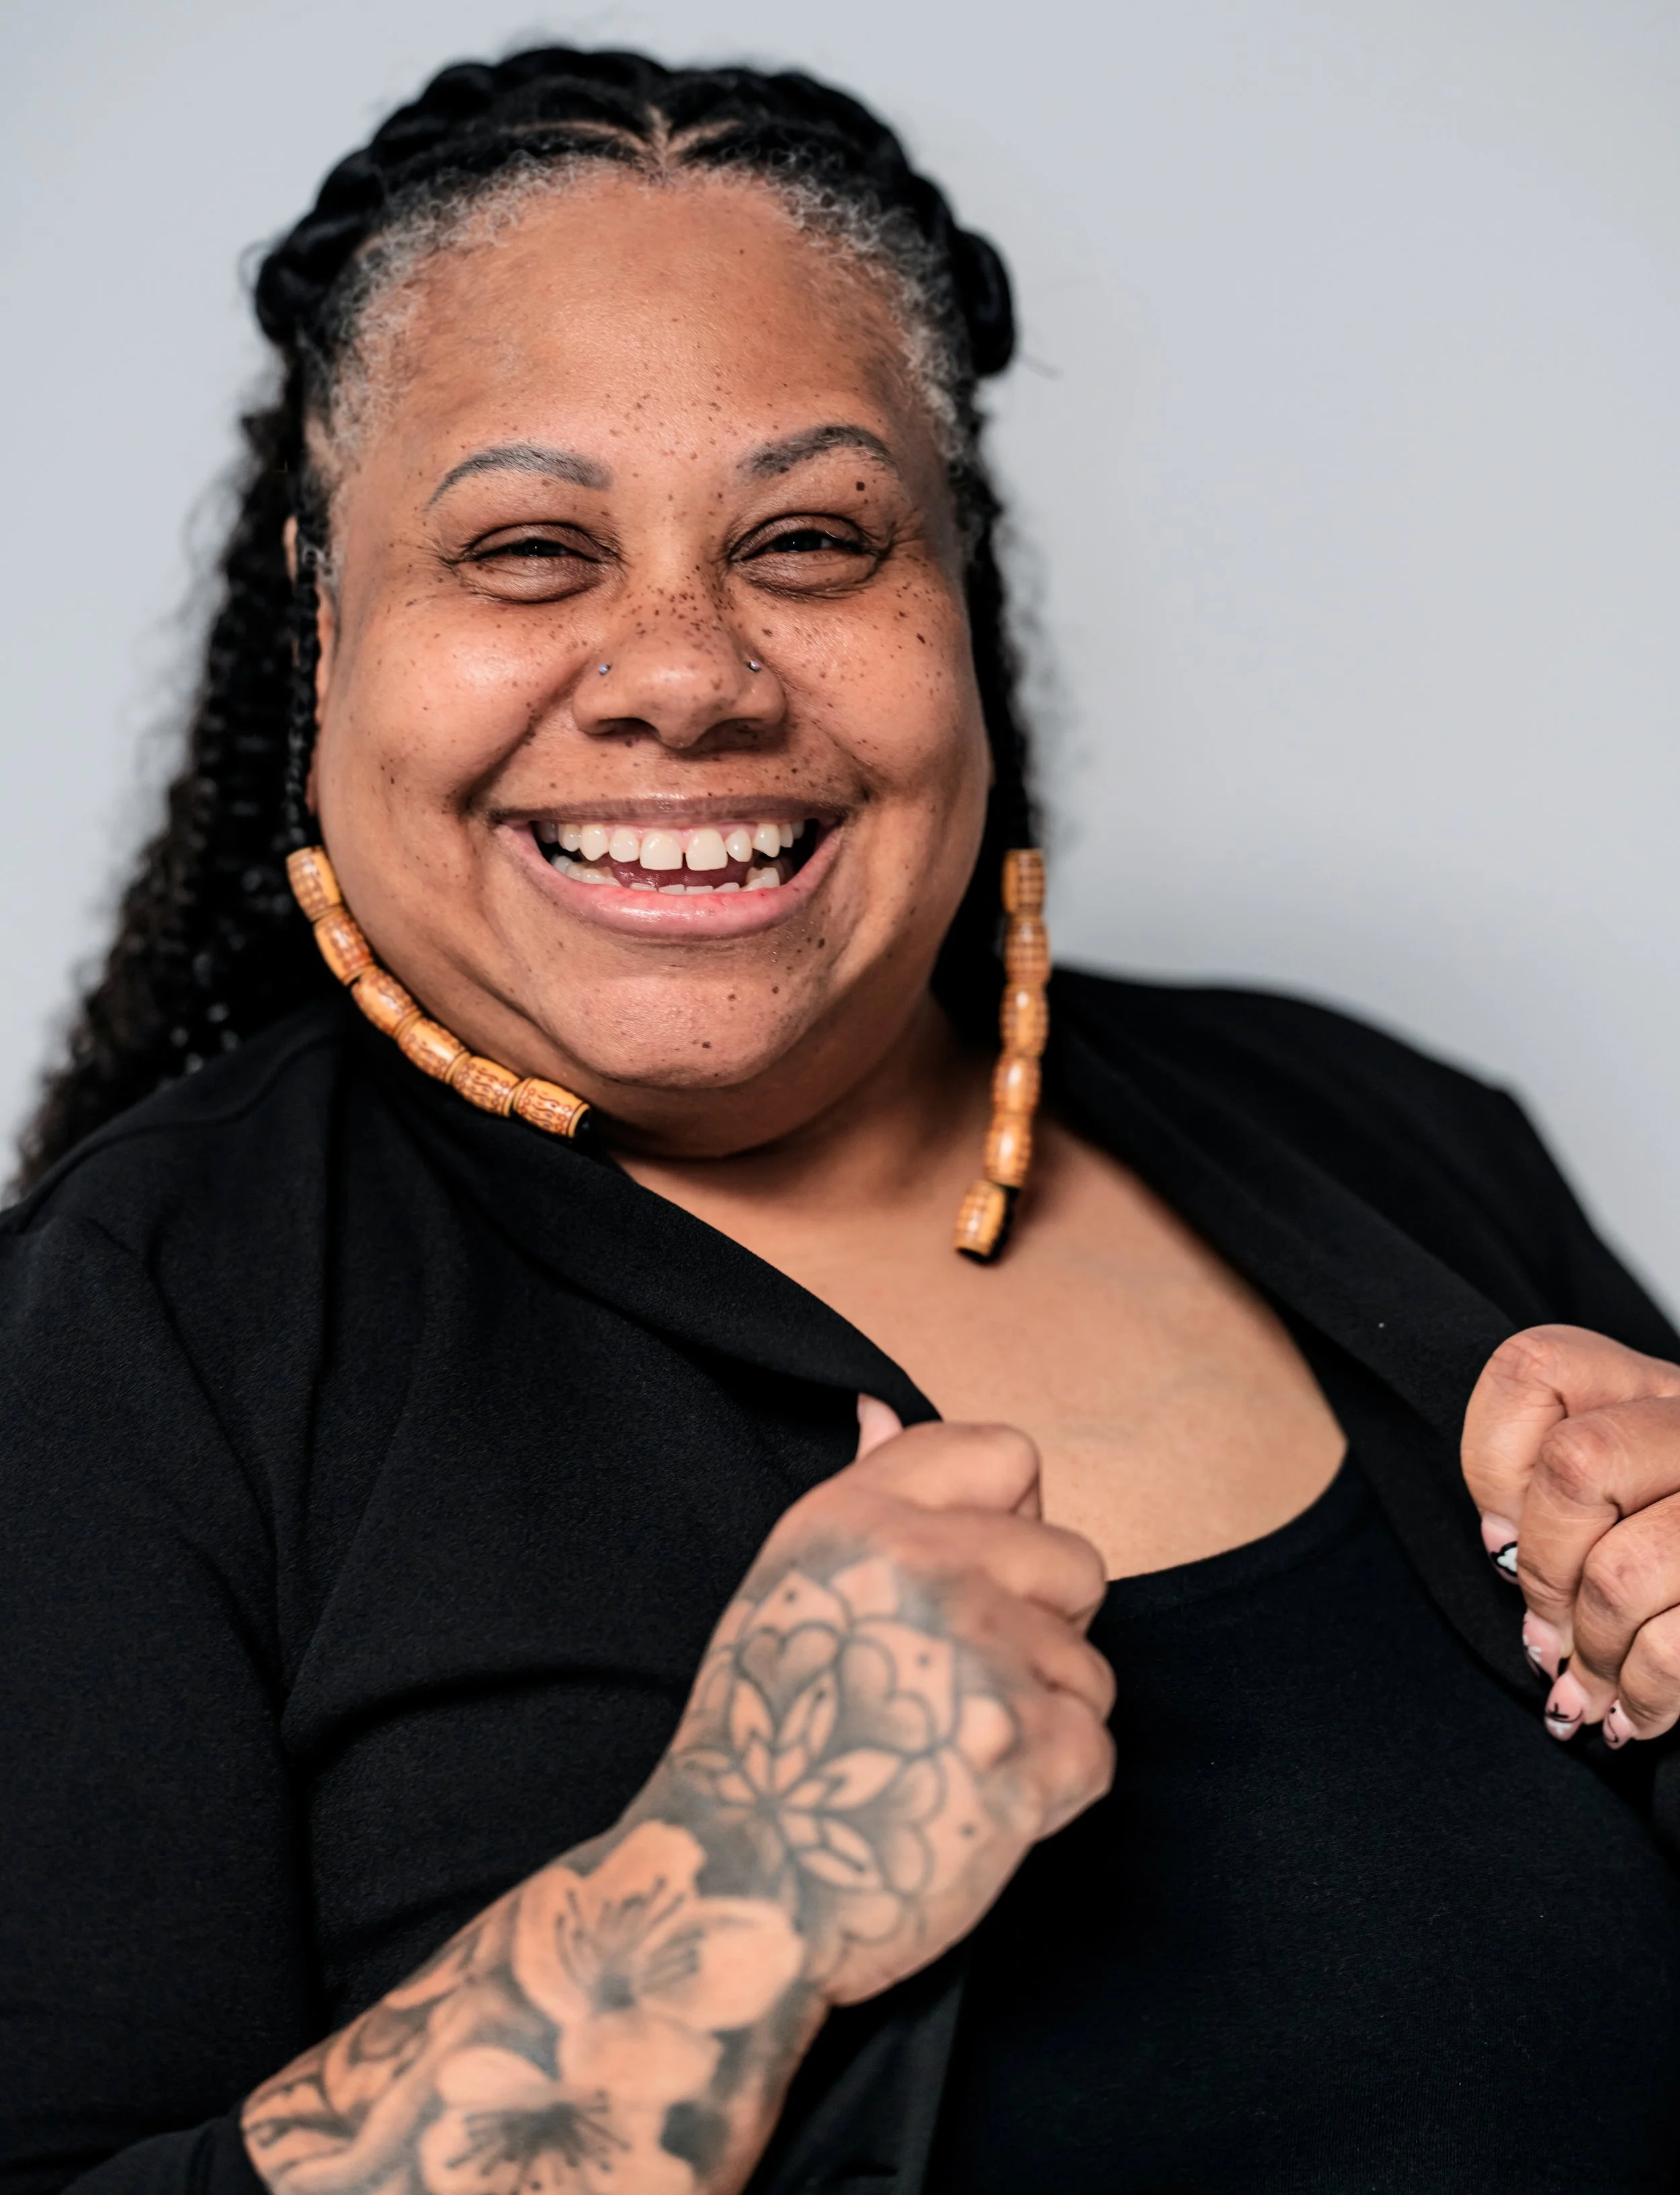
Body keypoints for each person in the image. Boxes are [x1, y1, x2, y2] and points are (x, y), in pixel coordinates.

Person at [5, 44, 1680, 2195]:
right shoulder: (128, 1347)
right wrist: (727, 1896)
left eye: (808, 538)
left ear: (950, 589)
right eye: (527, 549)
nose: (685, 672)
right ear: (331, 625)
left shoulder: (1385, 1134)